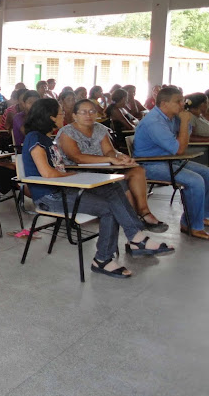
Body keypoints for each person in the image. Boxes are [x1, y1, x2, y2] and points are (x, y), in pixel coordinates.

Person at [22, 98, 174, 279]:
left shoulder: (46, 139)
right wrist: (76, 176)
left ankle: (136, 238)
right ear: (50, 116)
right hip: (50, 198)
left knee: (113, 187)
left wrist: (75, 176)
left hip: (64, 190)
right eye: (61, 113)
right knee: (108, 209)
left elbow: (57, 171)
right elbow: (48, 174)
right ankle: (103, 259)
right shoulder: (34, 138)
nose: (63, 115)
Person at [56, 99, 168, 232]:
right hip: (80, 175)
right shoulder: (67, 132)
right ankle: (135, 226)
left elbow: (109, 150)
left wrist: (119, 156)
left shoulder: (99, 128)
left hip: (103, 170)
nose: (88, 115)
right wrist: (110, 159)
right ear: (74, 115)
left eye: (92, 111)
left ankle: (144, 212)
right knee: (121, 185)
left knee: (137, 171)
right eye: (83, 112)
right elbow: (77, 157)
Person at [133, 86, 209, 239]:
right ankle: (192, 225)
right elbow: (180, 149)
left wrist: (183, 122)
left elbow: (181, 145)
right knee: (195, 181)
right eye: (178, 101)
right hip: (150, 164)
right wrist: (185, 122)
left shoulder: (170, 118)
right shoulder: (154, 122)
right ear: (164, 103)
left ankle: (201, 216)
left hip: (167, 160)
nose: (183, 104)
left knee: (207, 174)